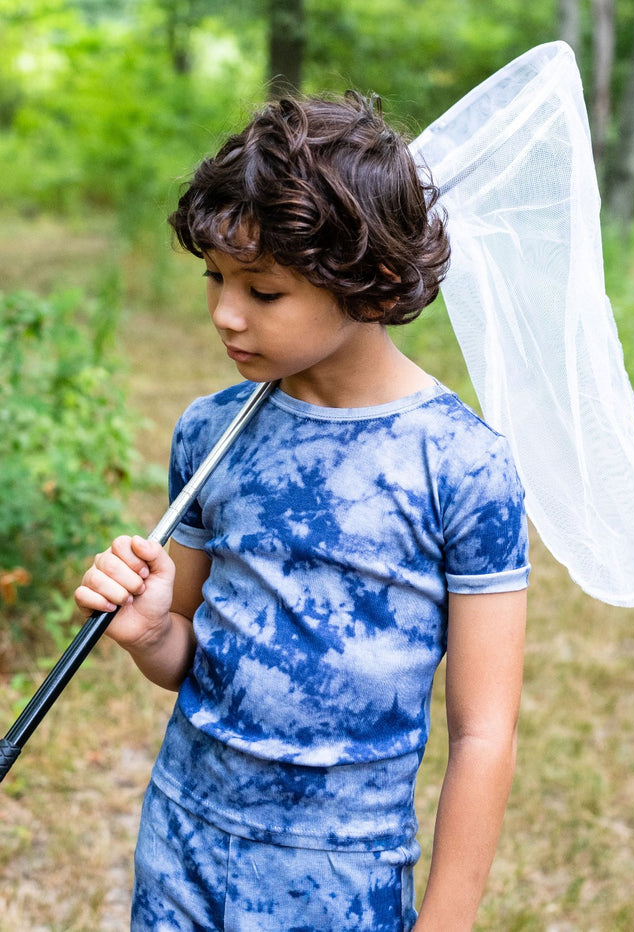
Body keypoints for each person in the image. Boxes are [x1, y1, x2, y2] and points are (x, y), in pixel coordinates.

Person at [75, 91, 529, 931]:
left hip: (339, 877)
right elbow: (190, 657)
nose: (225, 313)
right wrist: (150, 633)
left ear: (375, 284)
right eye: (216, 278)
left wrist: (446, 922)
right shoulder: (210, 432)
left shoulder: (460, 464)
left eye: (264, 291)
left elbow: (483, 733)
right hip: (182, 847)